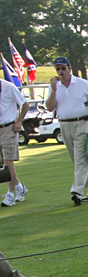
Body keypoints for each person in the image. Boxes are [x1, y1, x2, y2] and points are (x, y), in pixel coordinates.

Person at [45, 56, 88, 205]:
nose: (61, 71)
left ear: (69, 68)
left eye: (63, 68)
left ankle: (77, 191)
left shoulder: (82, 84)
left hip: (82, 123)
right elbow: (49, 107)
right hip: (64, 125)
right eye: (58, 69)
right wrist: (53, 90)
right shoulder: (54, 86)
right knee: (77, 160)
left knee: (81, 159)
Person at [0, 79, 28, 207]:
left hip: (9, 128)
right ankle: (19, 186)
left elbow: (25, 104)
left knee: (8, 161)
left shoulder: (8, 87)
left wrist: (19, 121)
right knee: (3, 163)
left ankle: (10, 195)